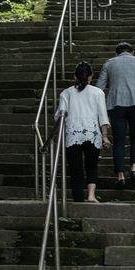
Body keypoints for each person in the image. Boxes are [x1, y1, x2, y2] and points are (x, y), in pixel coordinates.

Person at [96, 42, 135, 190]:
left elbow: (99, 89)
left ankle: (120, 176)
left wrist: (97, 109)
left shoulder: (109, 63)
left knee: (119, 141)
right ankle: (134, 167)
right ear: (132, 52)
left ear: (117, 53)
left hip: (116, 105)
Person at [55, 62, 110, 203]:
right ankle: (91, 195)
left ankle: (78, 199)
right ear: (91, 76)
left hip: (73, 135)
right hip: (92, 134)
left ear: (75, 76)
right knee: (91, 166)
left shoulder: (66, 93)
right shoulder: (98, 93)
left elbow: (59, 116)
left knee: (75, 170)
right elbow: (103, 116)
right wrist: (105, 136)